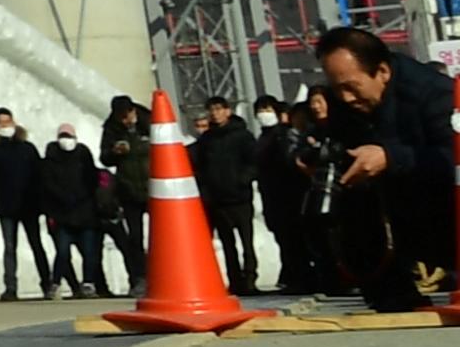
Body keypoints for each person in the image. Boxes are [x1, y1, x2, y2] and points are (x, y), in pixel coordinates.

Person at [313, 26, 456, 312]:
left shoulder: (435, 94)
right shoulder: (343, 103)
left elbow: (451, 159)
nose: (345, 98)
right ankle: (385, 286)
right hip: (389, 207)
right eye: (336, 88)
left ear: (382, 72)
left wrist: (390, 157)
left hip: (443, 203)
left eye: (351, 87)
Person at [255, 93, 329, 294]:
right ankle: (299, 278)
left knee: (298, 241)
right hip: (276, 197)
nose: (264, 114)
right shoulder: (268, 138)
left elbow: (291, 163)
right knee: (290, 242)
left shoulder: (287, 136)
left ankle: (306, 278)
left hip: (291, 197)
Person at [189, 95, 261, 297]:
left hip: (239, 197)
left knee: (247, 242)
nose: (215, 113)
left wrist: (243, 179)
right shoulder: (207, 139)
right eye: (212, 110)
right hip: (217, 200)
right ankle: (235, 280)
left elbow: (253, 162)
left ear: (228, 111)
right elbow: (200, 166)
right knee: (228, 244)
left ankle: (250, 279)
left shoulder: (242, 136)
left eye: (219, 109)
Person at [0, 111, 46, 300]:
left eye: (7, 122)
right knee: (9, 247)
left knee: (36, 244)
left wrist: (37, 197)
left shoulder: (27, 148)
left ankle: (47, 283)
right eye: (1, 123)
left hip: (30, 205)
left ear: (14, 122)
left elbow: (39, 173)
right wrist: (0, 190)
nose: (5, 126)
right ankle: (10, 287)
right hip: (6, 205)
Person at [36, 122, 104, 296]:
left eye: (69, 136)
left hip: (85, 212)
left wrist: (86, 198)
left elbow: (92, 179)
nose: (66, 140)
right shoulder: (50, 160)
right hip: (62, 215)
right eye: (63, 137)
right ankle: (56, 283)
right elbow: (47, 185)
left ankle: (88, 282)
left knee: (89, 251)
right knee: (63, 252)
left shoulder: (83, 155)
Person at [99, 98, 153, 295]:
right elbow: (104, 157)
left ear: (133, 112)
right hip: (129, 190)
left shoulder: (149, 122)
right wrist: (114, 152)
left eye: (127, 116)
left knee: (159, 236)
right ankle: (139, 277)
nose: (125, 121)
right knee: (135, 238)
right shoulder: (112, 128)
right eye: (120, 118)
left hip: (152, 189)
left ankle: (163, 274)